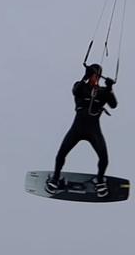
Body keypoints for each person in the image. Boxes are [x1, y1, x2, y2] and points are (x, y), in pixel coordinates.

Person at [47, 63, 117, 197]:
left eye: (97, 75)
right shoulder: (81, 87)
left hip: (93, 130)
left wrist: (109, 88)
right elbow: (75, 91)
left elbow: (113, 105)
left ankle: (100, 180)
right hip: (77, 128)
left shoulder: (102, 92)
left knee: (104, 158)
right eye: (93, 75)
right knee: (61, 154)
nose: (95, 78)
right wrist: (85, 77)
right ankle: (55, 179)